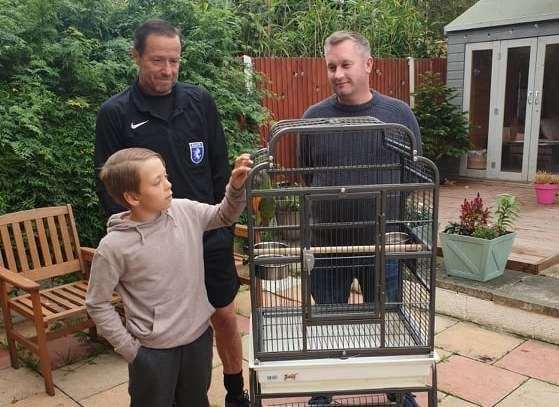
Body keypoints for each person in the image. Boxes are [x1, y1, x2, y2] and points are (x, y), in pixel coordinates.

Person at [94, 20, 249, 406]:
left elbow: (218, 168)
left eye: (174, 61)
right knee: (161, 333)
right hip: (153, 247)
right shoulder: (115, 113)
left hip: (204, 229)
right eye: (157, 60)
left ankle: (235, 391)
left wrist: (222, 227)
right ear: (137, 56)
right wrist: (139, 241)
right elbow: (110, 186)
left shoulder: (199, 101)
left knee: (224, 316)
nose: (167, 70)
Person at [300, 31, 421, 407]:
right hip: (328, 240)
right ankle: (322, 391)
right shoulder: (313, 118)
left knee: (387, 321)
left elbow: (413, 173)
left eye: (346, 65)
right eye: (332, 66)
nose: (338, 74)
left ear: (368, 65)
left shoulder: (398, 115)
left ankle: (397, 388)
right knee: (327, 320)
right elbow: (308, 173)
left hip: (382, 242)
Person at [86, 148, 252, 407]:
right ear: (132, 197)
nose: (168, 184)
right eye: (157, 181)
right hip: (152, 353)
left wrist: (235, 187)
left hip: (197, 340)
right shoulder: (113, 247)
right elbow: (97, 302)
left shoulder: (185, 211)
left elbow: (224, 215)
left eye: (165, 176)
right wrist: (130, 350)